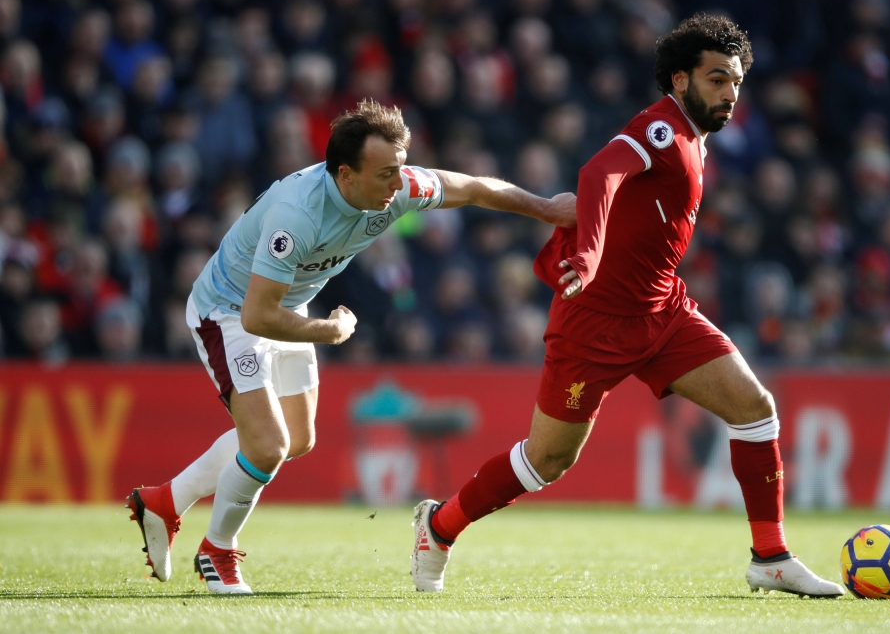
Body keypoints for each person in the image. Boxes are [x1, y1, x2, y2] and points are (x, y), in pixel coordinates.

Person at [411, 14, 845, 598]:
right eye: (717, 79)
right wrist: (587, 253)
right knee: (545, 462)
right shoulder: (661, 127)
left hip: (663, 312)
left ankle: (770, 556)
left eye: (737, 81)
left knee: (755, 408)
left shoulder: (697, 136)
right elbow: (600, 172)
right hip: (594, 323)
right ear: (680, 80)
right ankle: (438, 527)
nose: (730, 93)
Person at [125, 99, 576, 595]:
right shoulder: (296, 215)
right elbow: (256, 315)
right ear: (345, 175)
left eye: (400, 169)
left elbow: (471, 189)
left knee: (296, 440)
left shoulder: (396, 187)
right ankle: (217, 551)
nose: (398, 183)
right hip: (230, 311)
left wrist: (545, 208)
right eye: (385, 174)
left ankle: (165, 501)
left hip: (286, 304)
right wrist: (328, 331)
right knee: (268, 446)